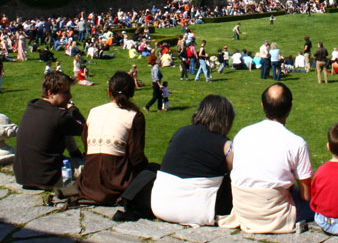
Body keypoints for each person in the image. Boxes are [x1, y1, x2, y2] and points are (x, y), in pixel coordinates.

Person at [219, 83, 313, 233]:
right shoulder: (296, 143)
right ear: (290, 108)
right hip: (275, 214)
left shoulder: (242, 134)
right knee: (320, 202)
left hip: (243, 209)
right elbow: (306, 195)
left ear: (262, 106)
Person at [79, 71, 156, 219]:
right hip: (116, 181)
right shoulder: (134, 116)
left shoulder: (94, 112)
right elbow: (136, 156)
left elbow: (86, 145)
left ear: (109, 92)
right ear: (132, 92)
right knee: (153, 170)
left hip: (89, 181)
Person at [151, 95, 235, 226]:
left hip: (160, 205)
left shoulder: (180, 132)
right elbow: (236, 173)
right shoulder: (225, 146)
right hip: (198, 211)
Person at [14, 73, 86, 191]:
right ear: (50, 93)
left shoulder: (32, 107)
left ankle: (76, 156)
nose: (70, 96)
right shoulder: (59, 116)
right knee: (94, 167)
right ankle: (69, 187)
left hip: (24, 177)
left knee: (63, 131)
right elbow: (85, 129)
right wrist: (73, 110)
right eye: (65, 92)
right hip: (48, 177)